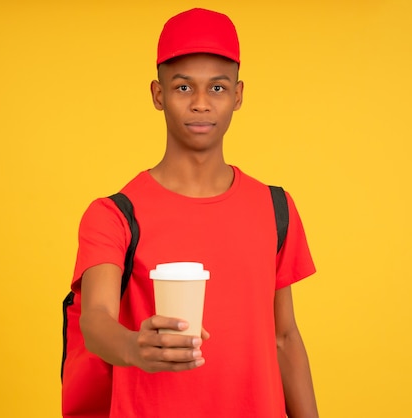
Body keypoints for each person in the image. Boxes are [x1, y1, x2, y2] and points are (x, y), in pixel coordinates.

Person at [72, 8, 319, 418]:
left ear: (238, 95)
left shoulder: (275, 207)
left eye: (217, 88)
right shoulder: (114, 215)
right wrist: (134, 346)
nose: (201, 103)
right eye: (184, 87)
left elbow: (285, 337)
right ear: (157, 94)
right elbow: (96, 322)